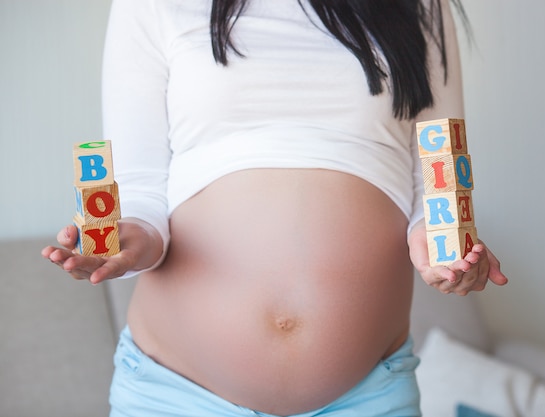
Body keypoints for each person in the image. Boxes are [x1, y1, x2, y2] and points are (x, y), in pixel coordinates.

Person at [43, 0, 508, 415]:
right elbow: (141, 189)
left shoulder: (419, 5)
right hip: (176, 395)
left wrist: (442, 243)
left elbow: (439, 175)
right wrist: (127, 240)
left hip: (366, 398)